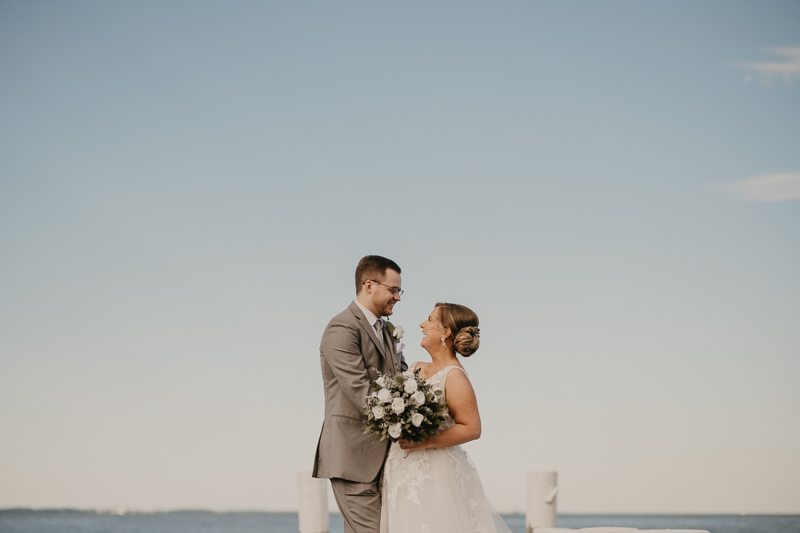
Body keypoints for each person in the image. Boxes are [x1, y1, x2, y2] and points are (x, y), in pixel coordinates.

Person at [380, 303, 512, 533]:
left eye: (429, 320)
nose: (422, 324)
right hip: (400, 468)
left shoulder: (454, 377)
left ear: (445, 332)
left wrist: (426, 441)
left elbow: (472, 428)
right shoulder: (414, 368)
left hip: (434, 474)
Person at [313, 255, 408, 533]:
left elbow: (401, 383)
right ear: (369, 285)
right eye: (393, 290)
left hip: (384, 460)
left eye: (399, 290)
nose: (398, 298)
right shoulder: (342, 327)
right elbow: (360, 391)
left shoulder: (387, 331)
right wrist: (405, 429)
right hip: (352, 458)